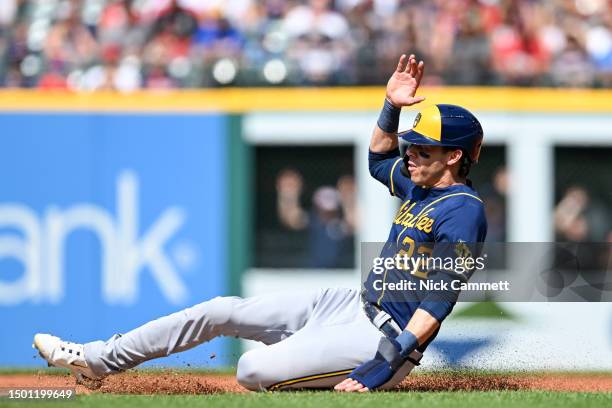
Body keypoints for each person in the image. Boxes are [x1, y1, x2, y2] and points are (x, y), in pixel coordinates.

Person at [33, 54, 487, 392]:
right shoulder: (418, 186)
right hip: (349, 304)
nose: (409, 155)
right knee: (219, 310)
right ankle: (96, 360)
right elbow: (376, 158)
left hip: (382, 336)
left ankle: (314, 368)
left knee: (251, 371)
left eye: (421, 149)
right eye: (411, 146)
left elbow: (439, 300)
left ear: (454, 156)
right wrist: (391, 106)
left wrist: (386, 363)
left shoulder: (464, 210)